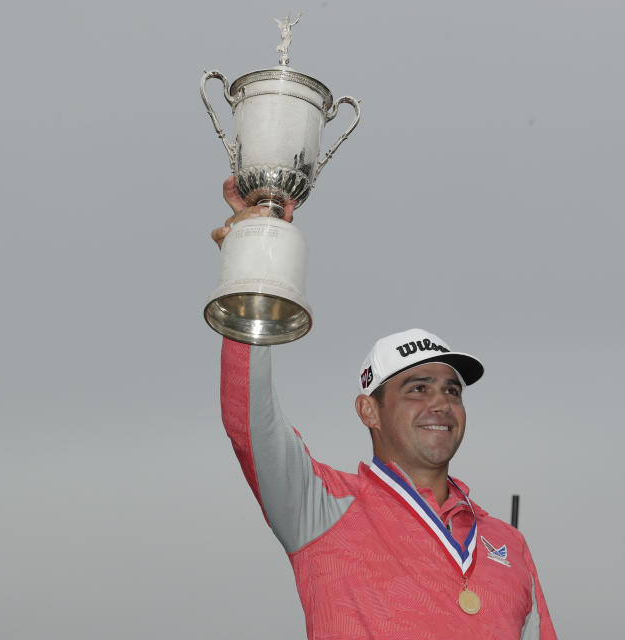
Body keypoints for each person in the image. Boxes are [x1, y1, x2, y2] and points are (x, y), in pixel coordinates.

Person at [212, 177, 557, 639]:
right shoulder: (321, 507)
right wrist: (252, 265)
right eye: (417, 389)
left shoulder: (508, 544)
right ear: (368, 411)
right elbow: (249, 420)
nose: (441, 403)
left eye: (452, 391)